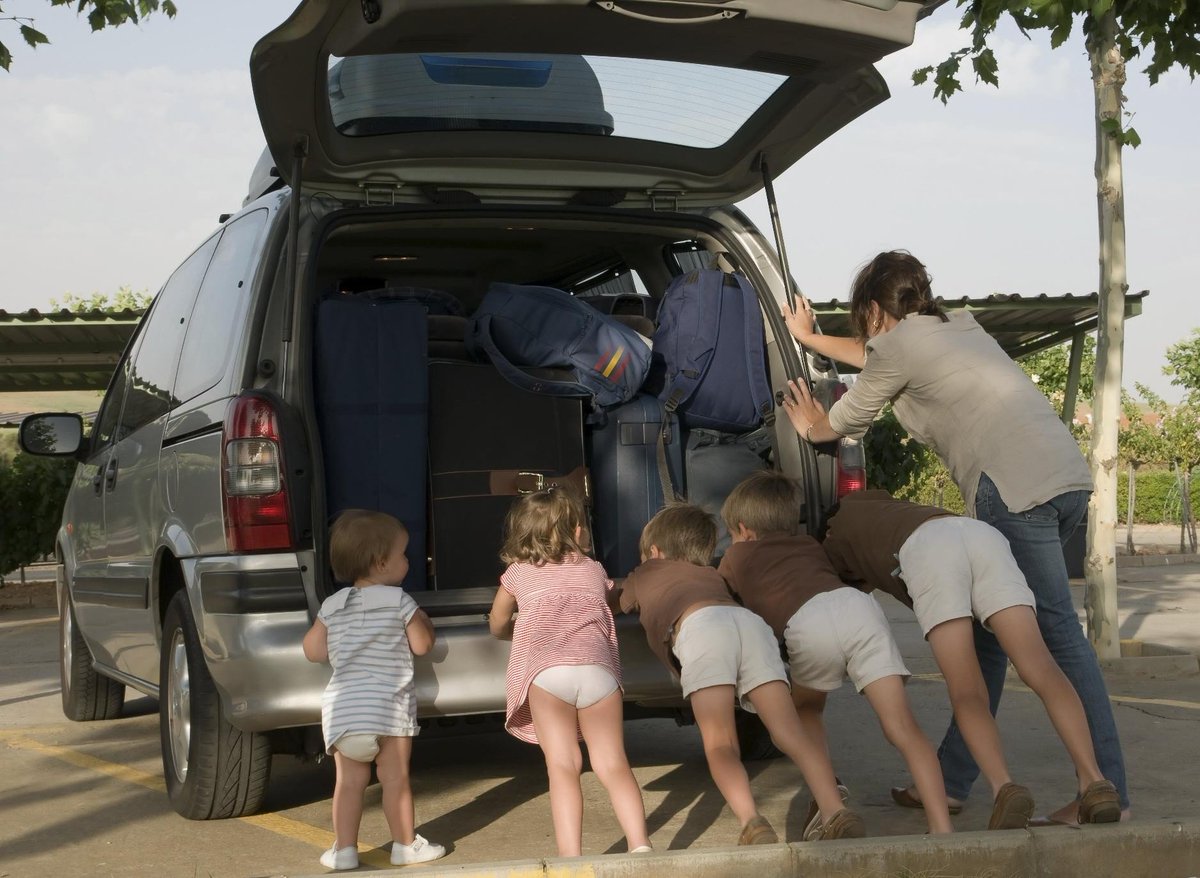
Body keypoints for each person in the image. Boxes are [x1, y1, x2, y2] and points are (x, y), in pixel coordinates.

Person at [779, 249, 1128, 823]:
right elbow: (874, 356)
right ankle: (951, 781)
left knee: (1057, 640)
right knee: (992, 636)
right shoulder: (956, 325)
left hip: (1013, 490)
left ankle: (1106, 788)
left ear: (871, 309)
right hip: (1063, 478)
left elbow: (839, 424)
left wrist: (807, 422)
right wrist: (811, 338)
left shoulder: (898, 347)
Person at [823, 489, 1121, 827]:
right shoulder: (882, 503)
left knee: (966, 690)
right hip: (980, 536)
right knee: (1041, 667)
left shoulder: (832, 533)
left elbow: (844, 594)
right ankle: (1094, 782)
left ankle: (1003, 788)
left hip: (930, 552)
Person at [718, 472, 953, 836]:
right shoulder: (810, 545)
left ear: (744, 529)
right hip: (859, 609)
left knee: (806, 710)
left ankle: (831, 808)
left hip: (808, 621)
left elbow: (722, 597)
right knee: (902, 726)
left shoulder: (737, 556)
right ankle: (941, 828)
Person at [619, 502, 864, 843]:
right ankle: (834, 810)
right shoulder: (712, 574)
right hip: (749, 625)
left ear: (655, 552)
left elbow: (615, 597)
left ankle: (752, 822)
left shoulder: (645, 572)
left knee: (721, 742)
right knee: (790, 731)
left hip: (700, 628)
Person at [487, 488, 652, 857]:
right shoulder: (594, 570)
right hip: (598, 672)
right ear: (577, 532)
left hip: (548, 674)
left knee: (563, 766)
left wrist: (517, 628)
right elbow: (610, 598)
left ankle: (571, 857)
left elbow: (497, 623)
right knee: (612, 763)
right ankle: (640, 845)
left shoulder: (516, 574)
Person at [302, 510, 446, 871]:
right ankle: (404, 845)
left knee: (348, 784)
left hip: (345, 711)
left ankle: (344, 851)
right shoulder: (400, 601)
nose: (409, 561)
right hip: (388, 709)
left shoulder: (332, 605)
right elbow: (423, 645)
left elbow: (313, 651)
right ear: (382, 564)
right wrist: (424, 620)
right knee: (395, 780)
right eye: (403, 555)